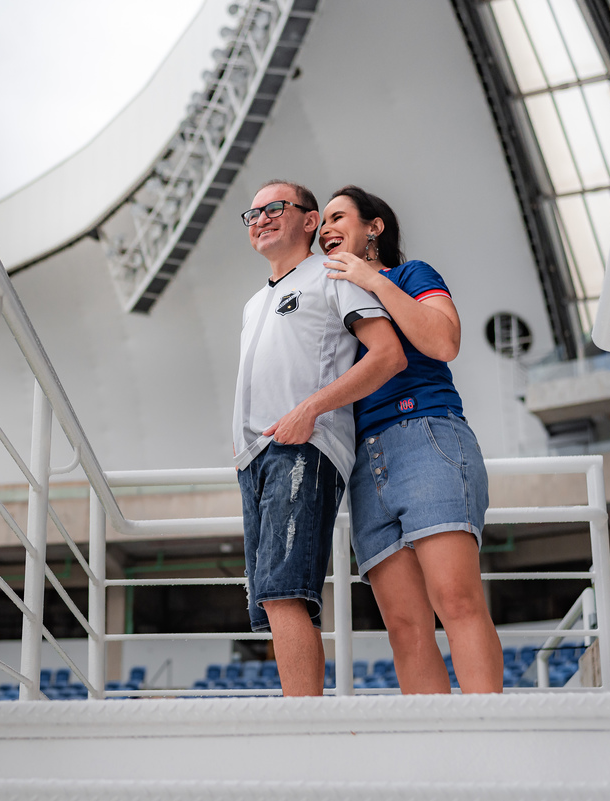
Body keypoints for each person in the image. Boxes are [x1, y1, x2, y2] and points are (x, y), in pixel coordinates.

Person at [321, 185, 504, 693]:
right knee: (404, 628)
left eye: (339, 218)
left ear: (374, 227)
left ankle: (494, 741)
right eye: (322, 227)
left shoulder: (409, 274)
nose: (327, 231)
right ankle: (443, 761)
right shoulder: (337, 304)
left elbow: (444, 341)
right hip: (364, 463)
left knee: (457, 599)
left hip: (425, 433)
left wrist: (372, 279)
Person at [232, 180, 406, 696]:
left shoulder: (330, 275)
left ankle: (305, 726)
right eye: (253, 212)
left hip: (304, 445)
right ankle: (300, 719)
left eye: (275, 208)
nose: (260, 218)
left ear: (309, 221)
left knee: (286, 593)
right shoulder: (251, 304)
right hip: (255, 457)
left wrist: (310, 409)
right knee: (271, 600)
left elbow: (387, 355)